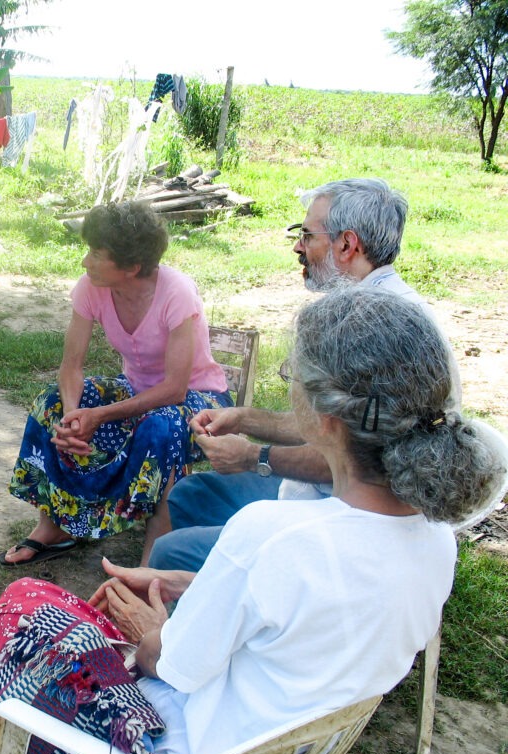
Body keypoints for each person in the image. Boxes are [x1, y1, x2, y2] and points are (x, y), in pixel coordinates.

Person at [0, 288, 507, 754]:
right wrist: (190, 583)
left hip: (173, 748)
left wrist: (155, 626)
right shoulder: (434, 539)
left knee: (24, 605)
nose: (287, 384)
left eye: (292, 376)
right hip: (278, 744)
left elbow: (170, 664)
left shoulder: (273, 536)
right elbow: (303, 616)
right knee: (50, 608)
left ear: (325, 422)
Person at [150, 176, 461, 572]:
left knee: (170, 553)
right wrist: (245, 419)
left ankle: (237, 594)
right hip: (321, 494)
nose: (298, 246)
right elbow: (330, 425)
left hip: (348, 520)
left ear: (347, 245)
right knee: (191, 494)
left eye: (307, 235)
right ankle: (232, 589)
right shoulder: (377, 306)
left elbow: (365, 463)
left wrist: (255, 457)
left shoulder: (370, 328)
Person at [1, 201, 231, 568]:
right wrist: (74, 418)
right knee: (52, 403)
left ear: (131, 267)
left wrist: (100, 415)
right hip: (136, 392)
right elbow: (70, 367)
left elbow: (175, 390)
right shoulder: (92, 287)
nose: (85, 262)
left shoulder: (176, 292)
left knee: (164, 424)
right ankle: (54, 524)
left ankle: (155, 556)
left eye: (95, 253)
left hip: (201, 402)